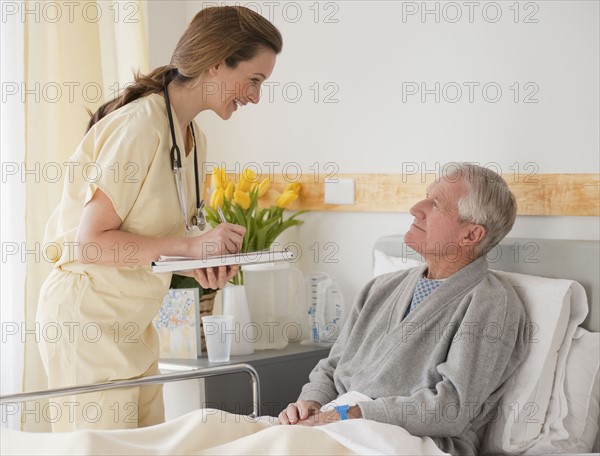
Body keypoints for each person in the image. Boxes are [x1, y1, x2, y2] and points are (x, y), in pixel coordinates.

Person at [36, 6, 282, 432]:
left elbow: (156, 241)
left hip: (135, 325)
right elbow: (90, 243)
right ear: (218, 62)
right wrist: (190, 247)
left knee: (150, 445)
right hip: (88, 320)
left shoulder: (193, 138)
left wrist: (202, 261)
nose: (256, 97)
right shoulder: (140, 126)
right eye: (254, 80)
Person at [278, 163, 528, 456]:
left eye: (435, 204)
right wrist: (311, 403)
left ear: (470, 235)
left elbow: (451, 408)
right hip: (337, 425)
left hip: (412, 440)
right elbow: (332, 367)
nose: (415, 208)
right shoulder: (380, 288)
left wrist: (353, 414)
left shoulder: (491, 302)